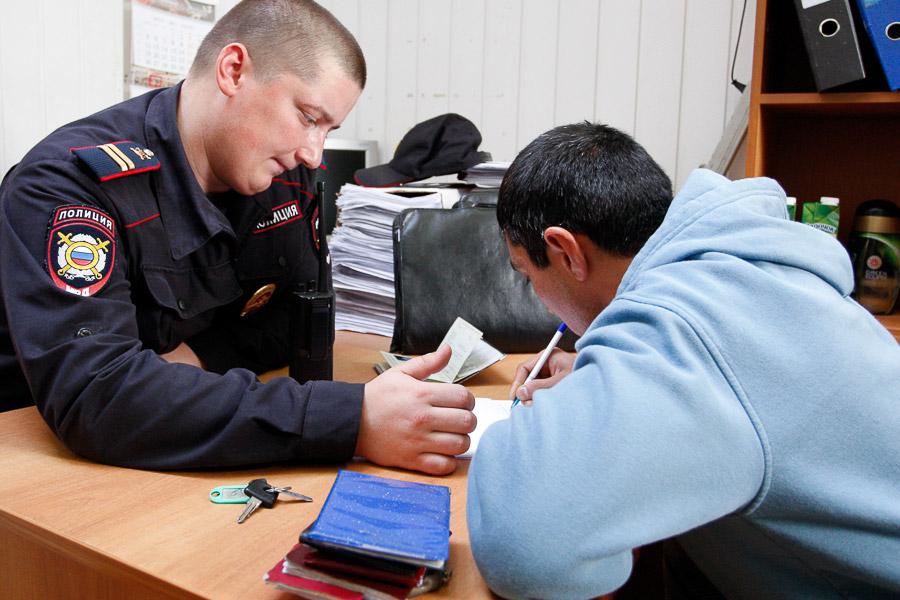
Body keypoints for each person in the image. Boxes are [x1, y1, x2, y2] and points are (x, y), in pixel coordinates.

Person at [0, 0, 475, 475]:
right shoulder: (69, 184)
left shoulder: (286, 175)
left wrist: (200, 356)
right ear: (232, 71)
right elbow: (97, 395)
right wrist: (351, 418)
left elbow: (302, 316)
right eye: (308, 117)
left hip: (178, 443)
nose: (314, 153)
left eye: (328, 129)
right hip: (40, 465)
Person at [466, 122, 900, 598]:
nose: (541, 302)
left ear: (566, 251)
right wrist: (603, 375)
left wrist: (554, 414)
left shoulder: (688, 326)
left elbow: (524, 546)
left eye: (528, 277)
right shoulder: (741, 273)